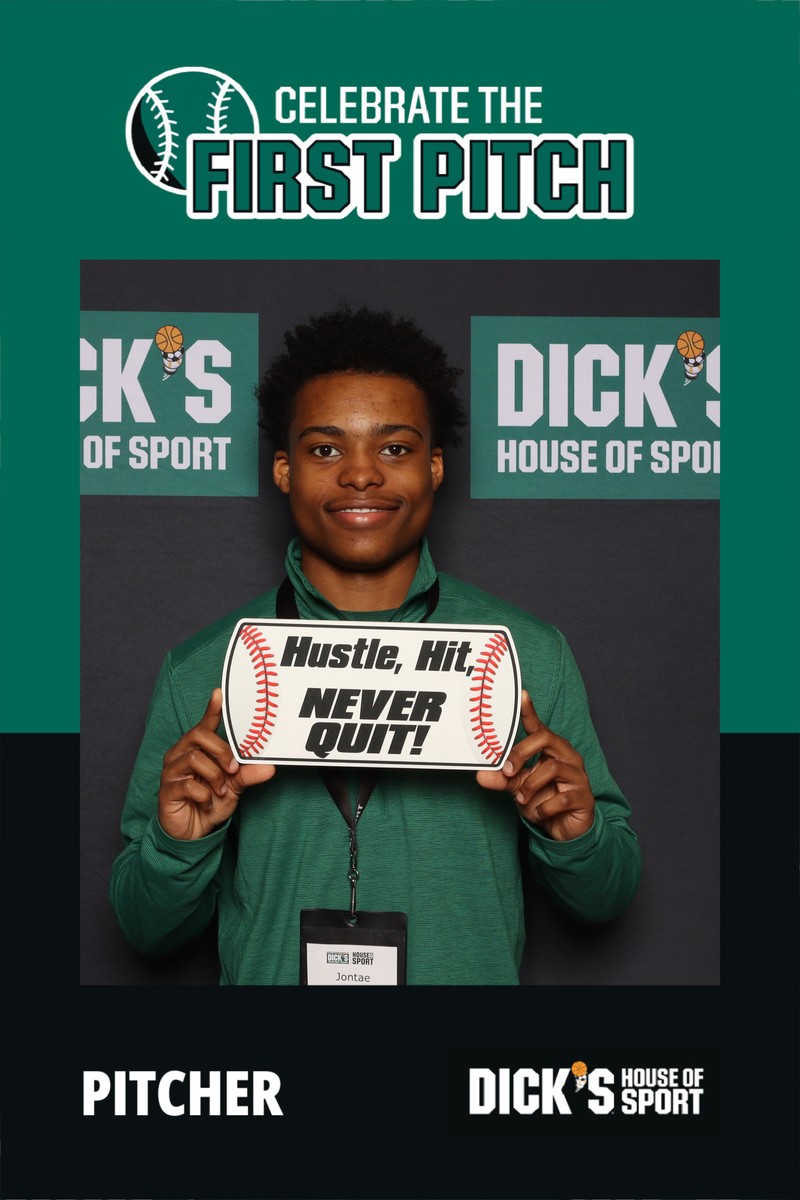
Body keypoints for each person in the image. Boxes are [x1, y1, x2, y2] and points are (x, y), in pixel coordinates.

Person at [110, 305, 640, 985]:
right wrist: (180, 843)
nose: (361, 474)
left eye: (394, 447)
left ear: (436, 467)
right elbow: (143, 928)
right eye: (325, 448)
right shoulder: (204, 669)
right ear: (282, 470)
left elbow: (608, 898)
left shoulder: (524, 654)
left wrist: (576, 834)